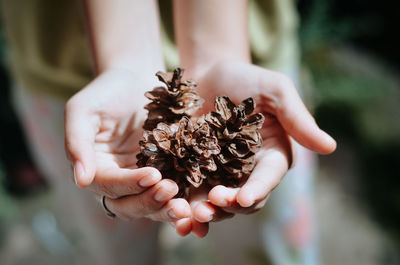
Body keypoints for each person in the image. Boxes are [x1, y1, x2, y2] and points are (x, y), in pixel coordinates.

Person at [1, 0, 336, 264]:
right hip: (70, 76)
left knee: (275, 248)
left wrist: (219, 52)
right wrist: (124, 62)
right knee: (115, 249)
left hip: (251, 60)